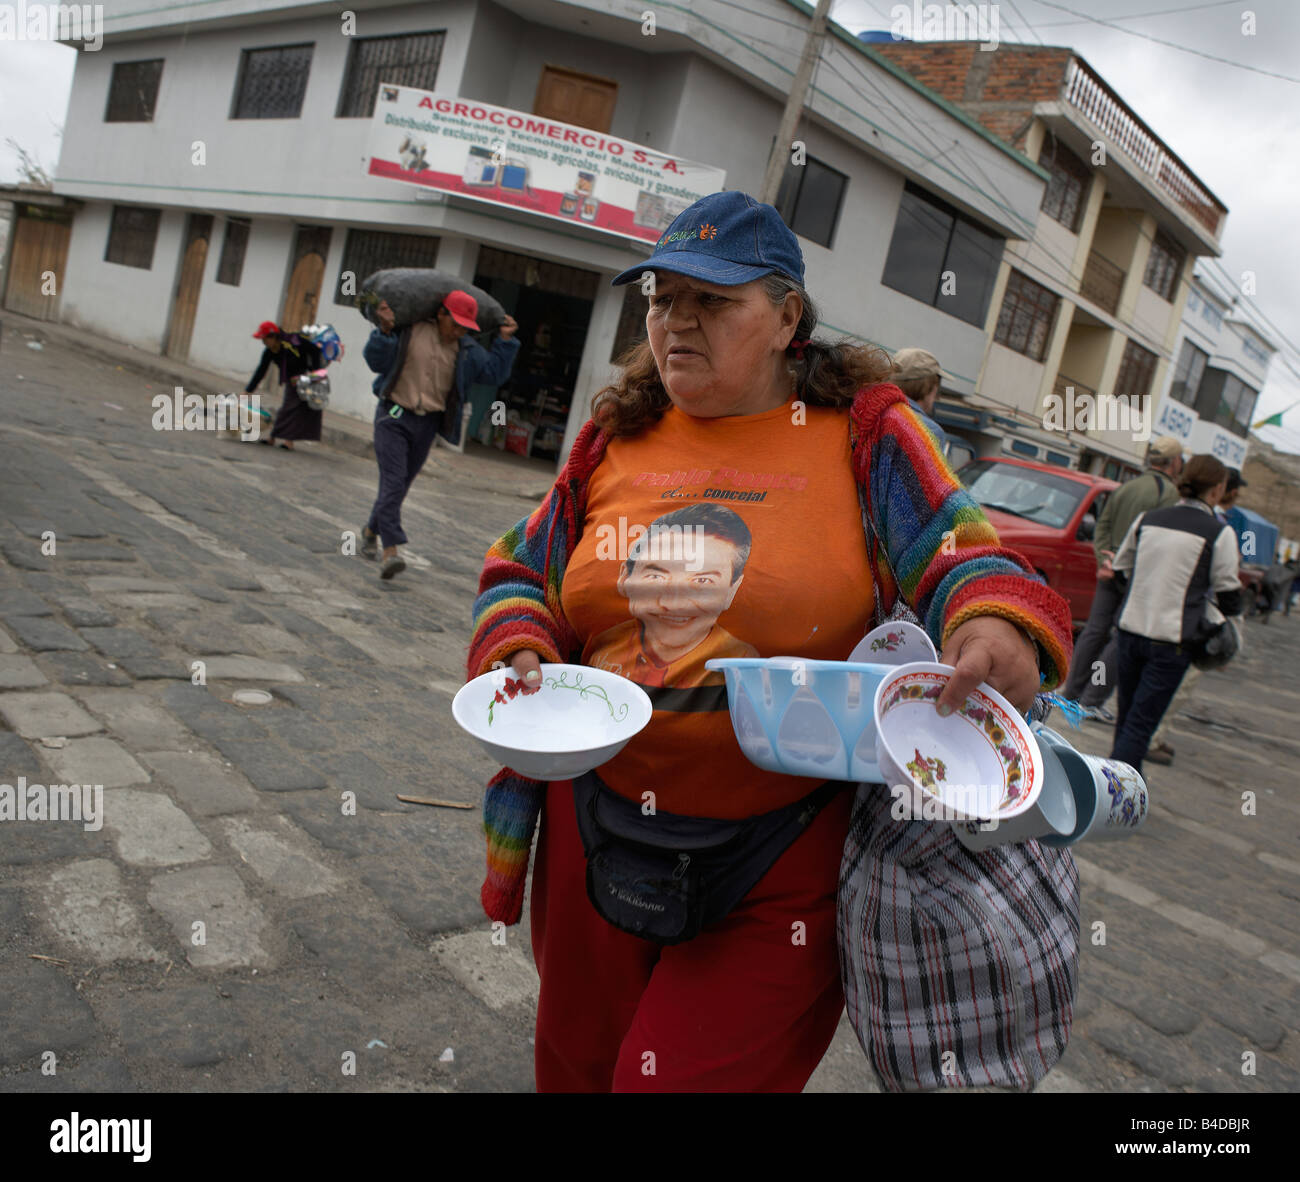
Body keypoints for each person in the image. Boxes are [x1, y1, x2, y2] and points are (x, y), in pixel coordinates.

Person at [465, 190, 1074, 1093]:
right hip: (593, 825)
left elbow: (964, 557)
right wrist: (519, 644)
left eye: (713, 301)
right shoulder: (612, 437)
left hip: (781, 857)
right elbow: (521, 569)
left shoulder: (865, 435)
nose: (678, 322)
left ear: (789, 316)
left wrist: (991, 620)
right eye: (663, 298)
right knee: (577, 1072)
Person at [362, 291, 519, 579]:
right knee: (394, 482)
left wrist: (505, 341)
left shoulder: (467, 350)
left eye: (464, 327)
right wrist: (383, 331)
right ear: (440, 314)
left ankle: (371, 530)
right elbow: (376, 361)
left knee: (400, 485)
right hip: (393, 415)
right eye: (455, 323)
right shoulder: (408, 332)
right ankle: (391, 550)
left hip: (428, 424)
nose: (458, 331)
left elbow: (494, 374)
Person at [1108, 454, 1242, 774]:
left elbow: (1120, 571)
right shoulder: (1218, 533)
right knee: (1140, 725)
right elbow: (1229, 596)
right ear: (1217, 490)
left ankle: (1120, 790)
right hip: (1172, 641)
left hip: (1131, 630)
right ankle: (1116, 797)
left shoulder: (1148, 519)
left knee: (1126, 718)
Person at [1062, 435, 1183, 722]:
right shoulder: (1169, 495)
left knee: (1094, 632)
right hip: (1137, 574)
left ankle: (1070, 694)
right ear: (1175, 462)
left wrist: (1104, 557)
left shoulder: (1126, 487)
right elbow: (1158, 539)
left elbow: (1102, 526)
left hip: (1109, 566)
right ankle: (1092, 698)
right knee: (1118, 638)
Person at [586, 504, 760, 686]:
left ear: (731, 591)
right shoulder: (601, 648)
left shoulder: (746, 668)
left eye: (702, 581)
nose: (674, 603)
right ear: (625, 577)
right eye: (656, 577)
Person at [244, 320, 324, 450]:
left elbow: (314, 350)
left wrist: (315, 373)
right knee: (292, 408)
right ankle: (284, 440)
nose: (263, 343)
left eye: (264, 339)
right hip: (292, 380)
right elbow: (261, 371)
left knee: (291, 408)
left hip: (305, 377)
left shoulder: (293, 343)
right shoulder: (269, 351)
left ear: (273, 337)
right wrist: (248, 390)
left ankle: (279, 439)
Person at [889, 346, 947, 452]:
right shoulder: (930, 431)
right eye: (937, 388)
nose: (936, 397)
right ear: (928, 387)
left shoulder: (871, 410)